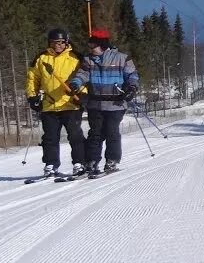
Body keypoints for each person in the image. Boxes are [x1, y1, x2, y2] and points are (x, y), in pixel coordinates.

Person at [70, 29, 140, 177]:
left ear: (102, 45)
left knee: (111, 131)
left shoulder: (122, 58)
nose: (90, 48)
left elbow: (132, 75)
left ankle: (112, 161)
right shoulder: (88, 60)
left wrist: (132, 88)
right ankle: (91, 162)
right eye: (89, 45)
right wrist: (75, 84)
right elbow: (82, 75)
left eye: (92, 45)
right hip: (95, 104)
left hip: (116, 104)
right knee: (95, 133)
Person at [25, 28, 87, 179]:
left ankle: (80, 162)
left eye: (61, 42)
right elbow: (32, 78)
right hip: (49, 105)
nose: (58, 45)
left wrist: (83, 93)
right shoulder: (41, 58)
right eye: (54, 42)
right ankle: (51, 164)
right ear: (49, 42)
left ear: (66, 42)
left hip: (70, 104)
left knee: (75, 135)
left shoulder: (75, 57)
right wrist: (32, 96)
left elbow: (84, 76)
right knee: (50, 137)